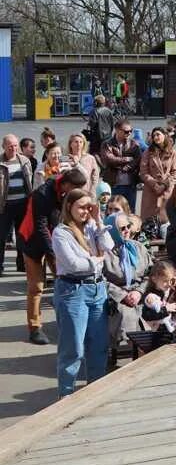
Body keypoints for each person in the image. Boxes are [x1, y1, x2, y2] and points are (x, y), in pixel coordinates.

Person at [52, 188, 113, 396]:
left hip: (97, 289)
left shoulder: (91, 226)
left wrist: (99, 220)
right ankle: (66, 397)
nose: (86, 211)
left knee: (99, 347)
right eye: (81, 207)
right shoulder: (61, 232)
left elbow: (109, 246)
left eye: (89, 207)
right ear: (69, 207)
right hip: (72, 290)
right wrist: (95, 261)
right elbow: (72, 265)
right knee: (73, 350)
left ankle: (94, 394)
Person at [19, 168, 89, 345]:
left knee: (66, 279)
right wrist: (56, 254)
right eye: (74, 189)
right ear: (65, 184)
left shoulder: (68, 192)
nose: (76, 193)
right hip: (33, 240)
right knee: (36, 287)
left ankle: (69, 320)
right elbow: (41, 227)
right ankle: (34, 328)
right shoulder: (42, 194)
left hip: (56, 238)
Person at [102, 211, 154, 360]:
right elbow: (100, 280)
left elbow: (151, 273)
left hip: (141, 293)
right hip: (117, 297)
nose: (127, 231)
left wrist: (139, 291)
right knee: (127, 314)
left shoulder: (138, 248)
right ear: (111, 230)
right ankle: (139, 355)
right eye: (122, 228)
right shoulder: (104, 253)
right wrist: (123, 296)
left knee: (158, 308)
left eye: (128, 226)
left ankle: (146, 352)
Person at [0, 134, 34, 276]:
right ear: (3, 147)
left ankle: (22, 264)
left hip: (23, 204)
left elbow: (30, 181)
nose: (13, 148)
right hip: (5, 205)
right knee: (1, 237)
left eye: (15, 145)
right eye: (10, 146)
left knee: (22, 236)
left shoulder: (25, 161)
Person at [137, 127, 176, 222]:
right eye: (154, 136)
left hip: (166, 190)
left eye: (158, 134)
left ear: (164, 135)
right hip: (151, 190)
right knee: (149, 222)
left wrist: (164, 185)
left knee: (165, 221)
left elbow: (175, 173)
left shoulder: (173, 153)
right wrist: (154, 184)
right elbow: (143, 172)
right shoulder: (148, 152)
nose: (156, 137)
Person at [99, 119, 141, 210]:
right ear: (117, 130)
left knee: (130, 211)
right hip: (114, 184)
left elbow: (138, 159)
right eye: (126, 131)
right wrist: (126, 159)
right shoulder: (107, 144)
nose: (129, 133)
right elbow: (108, 159)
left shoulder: (134, 144)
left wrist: (129, 166)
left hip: (130, 185)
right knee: (113, 211)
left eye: (131, 131)